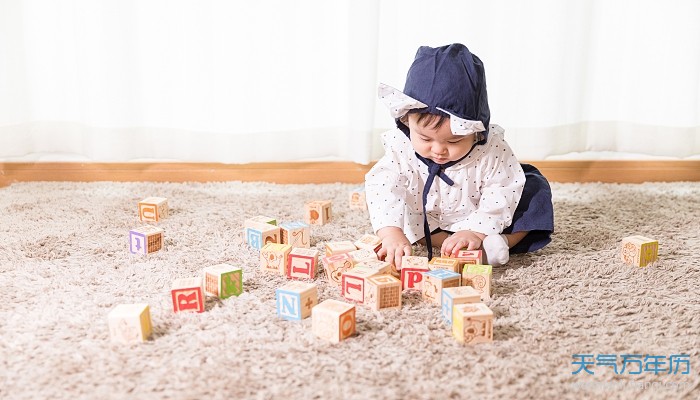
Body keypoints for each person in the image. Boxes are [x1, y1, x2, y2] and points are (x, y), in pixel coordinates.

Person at [365, 43, 553, 269]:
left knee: (533, 189)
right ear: (406, 121)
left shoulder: (491, 150)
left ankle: (500, 243)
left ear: (476, 133)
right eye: (425, 139)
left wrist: (475, 230)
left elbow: (503, 189)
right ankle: (450, 246)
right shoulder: (401, 148)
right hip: (430, 218)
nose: (438, 150)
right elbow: (383, 186)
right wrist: (391, 234)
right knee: (400, 214)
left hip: (482, 212)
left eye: (454, 141)